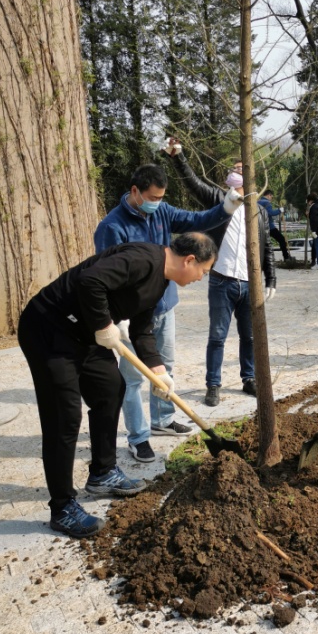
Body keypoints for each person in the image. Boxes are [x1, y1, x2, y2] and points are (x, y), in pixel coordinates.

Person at [17, 233, 219, 538]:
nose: (200, 278)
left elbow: (142, 330)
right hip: (50, 328)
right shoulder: (143, 259)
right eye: (203, 271)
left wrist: (159, 371)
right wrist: (103, 324)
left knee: (111, 389)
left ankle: (102, 472)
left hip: (85, 335)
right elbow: (90, 281)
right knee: (65, 417)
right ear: (189, 260)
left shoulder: (160, 282)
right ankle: (62, 508)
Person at [94, 164, 241, 463]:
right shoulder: (112, 226)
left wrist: (225, 208)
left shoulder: (161, 211)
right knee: (133, 378)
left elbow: (197, 220)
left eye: (161, 197)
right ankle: (138, 436)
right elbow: (102, 276)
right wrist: (114, 318)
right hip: (130, 314)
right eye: (152, 196)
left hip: (163, 304)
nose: (157, 202)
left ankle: (162, 419)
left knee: (164, 369)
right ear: (135, 191)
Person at [162, 141, 276, 407]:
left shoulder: (259, 210)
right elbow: (192, 182)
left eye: (242, 169)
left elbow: (267, 244)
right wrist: (178, 156)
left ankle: (248, 378)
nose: (237, 172)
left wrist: (271, 278)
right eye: (234, 168)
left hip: (250, 282)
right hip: (222, 281)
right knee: (217, 336)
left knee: (249, 336)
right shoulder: (218, 198)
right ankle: (213, 384)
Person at [258, 189, 291, 261]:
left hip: (260, 226)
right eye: (271, 197)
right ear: (269, 195)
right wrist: (280, 210)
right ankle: (286, 257)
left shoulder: (258, 202)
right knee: (281, 239)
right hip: (269, 226)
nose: (271, 199)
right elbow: (270, 213)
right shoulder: (267, 202)